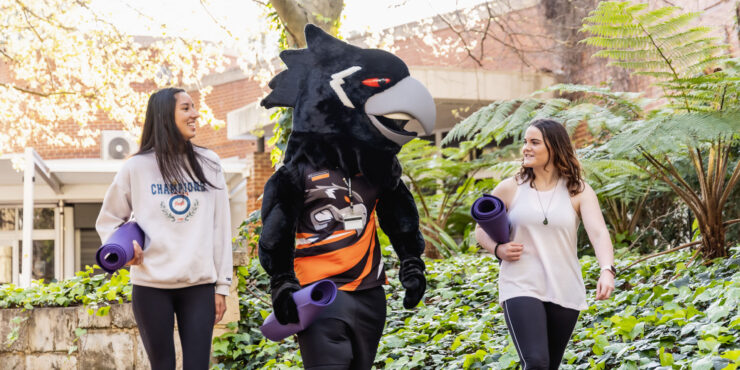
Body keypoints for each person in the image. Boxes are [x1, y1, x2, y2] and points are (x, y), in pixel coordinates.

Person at [96, 87, 233, 370]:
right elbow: (108, 220)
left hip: (199, 287)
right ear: (164, 116)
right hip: (151, 287)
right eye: (186, 108)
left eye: (194, 107)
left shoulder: (209, 163)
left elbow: (220, 227)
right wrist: (124, 253)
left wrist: (222, 286)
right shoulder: (136, 167)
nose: (195, 114)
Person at [475, 119, 616, 370]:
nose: (526, 148)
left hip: (564, 286)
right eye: (525, 142)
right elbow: (480, 229)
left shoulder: (579, 190)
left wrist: (607, 269)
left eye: (534, 142)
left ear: (555, 147)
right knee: (537, 362)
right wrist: (498, 250)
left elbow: (598, 233)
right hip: (520, 283)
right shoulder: (510, 187)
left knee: (549, 365)